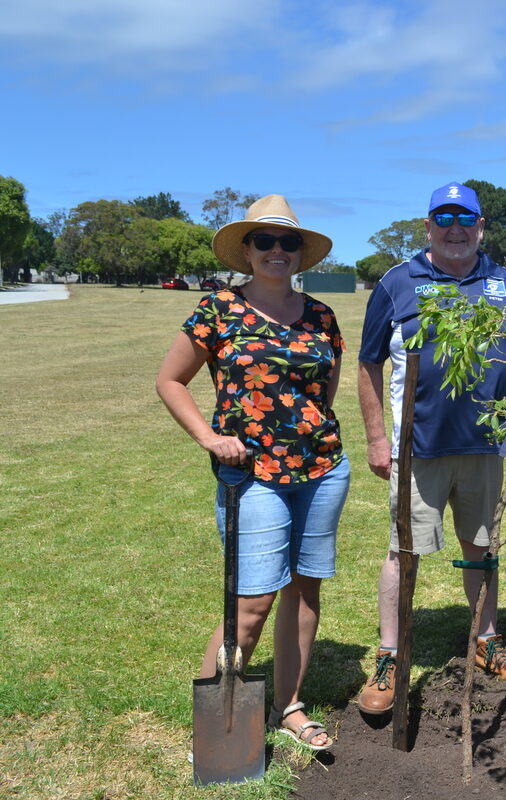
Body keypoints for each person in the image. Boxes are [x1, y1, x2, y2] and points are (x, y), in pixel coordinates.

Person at [156, 195, 349, 751]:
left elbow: (324, 389)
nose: (277, 250)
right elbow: (171, 380)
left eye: (288, 242)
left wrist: (309, 428)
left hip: (322, 469)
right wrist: (210, 438)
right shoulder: (217, 310)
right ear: (247, 249)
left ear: (300, 253)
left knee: (305, 589)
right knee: (252, 599)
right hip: (252, 475)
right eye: (265, 241)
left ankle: (289, 705)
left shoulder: (321, 315)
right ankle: (219, 725)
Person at [356, 182, 506, 715]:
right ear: (428, 226)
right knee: (403, 552)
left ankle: (485, 642)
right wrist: (376, 437)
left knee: (481, 548)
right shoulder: (398, 283)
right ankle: (391, 658)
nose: (455, 227)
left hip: (486, 445)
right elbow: (370, 363)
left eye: (466, 218)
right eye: (444, 217)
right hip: (418, 449)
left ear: (481, 226)